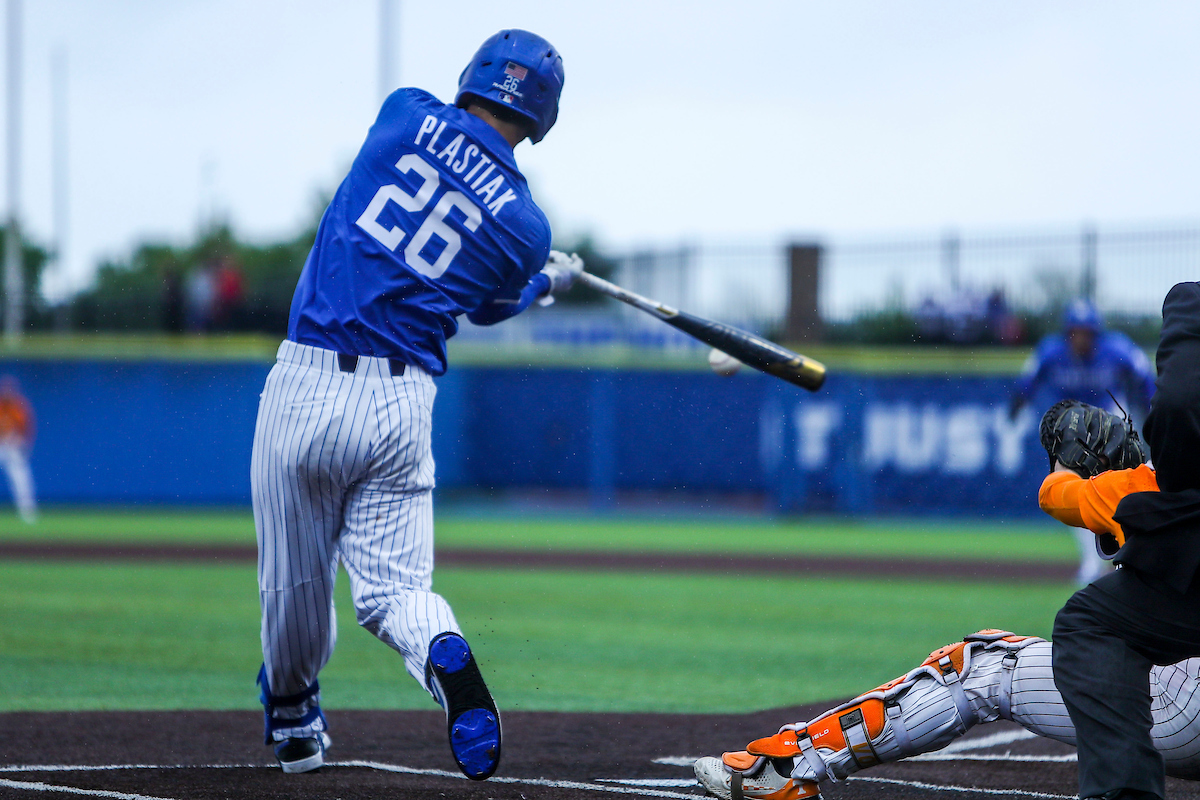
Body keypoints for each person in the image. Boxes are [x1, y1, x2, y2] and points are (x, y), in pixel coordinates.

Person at [692, 283, 1200, 800]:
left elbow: (1058, 495)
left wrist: (1087, 468)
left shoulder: (1162, 480)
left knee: (983, 663)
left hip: (1189, 712)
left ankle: (786, 768)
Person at [251, 29, 578, 780]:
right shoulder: (527, 230)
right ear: (541, 114)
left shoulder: (402, 113)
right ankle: (441, 654)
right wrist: (547, 282)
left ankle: (296, 722)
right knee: (398, 592)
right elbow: (492, 306)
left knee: (295, 589)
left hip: (306, 383)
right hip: (401, 405)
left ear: (479, 74)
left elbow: (420, 191)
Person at [1010, 298, 1157, 585]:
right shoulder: (1051, 352)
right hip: (1074, 428)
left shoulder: (1115, 349)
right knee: (1077, 490)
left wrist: (1151, 411)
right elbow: (1027, 381)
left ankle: (1125, 554)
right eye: (1076, 332)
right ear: (1067, 333)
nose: (1081, 338)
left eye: (1087, 332)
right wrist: (1017, 404)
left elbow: (1143, 377)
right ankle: (1095, 560)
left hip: (1111, 422)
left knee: (1122, 487)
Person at [0, 376, 35, 523]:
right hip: (1, 444)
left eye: (10, 389)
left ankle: (27, 513)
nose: (7, 392)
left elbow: (26, 428)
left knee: (21, 478)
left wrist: (23, 445)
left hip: (13, 445)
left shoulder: (18, 406)